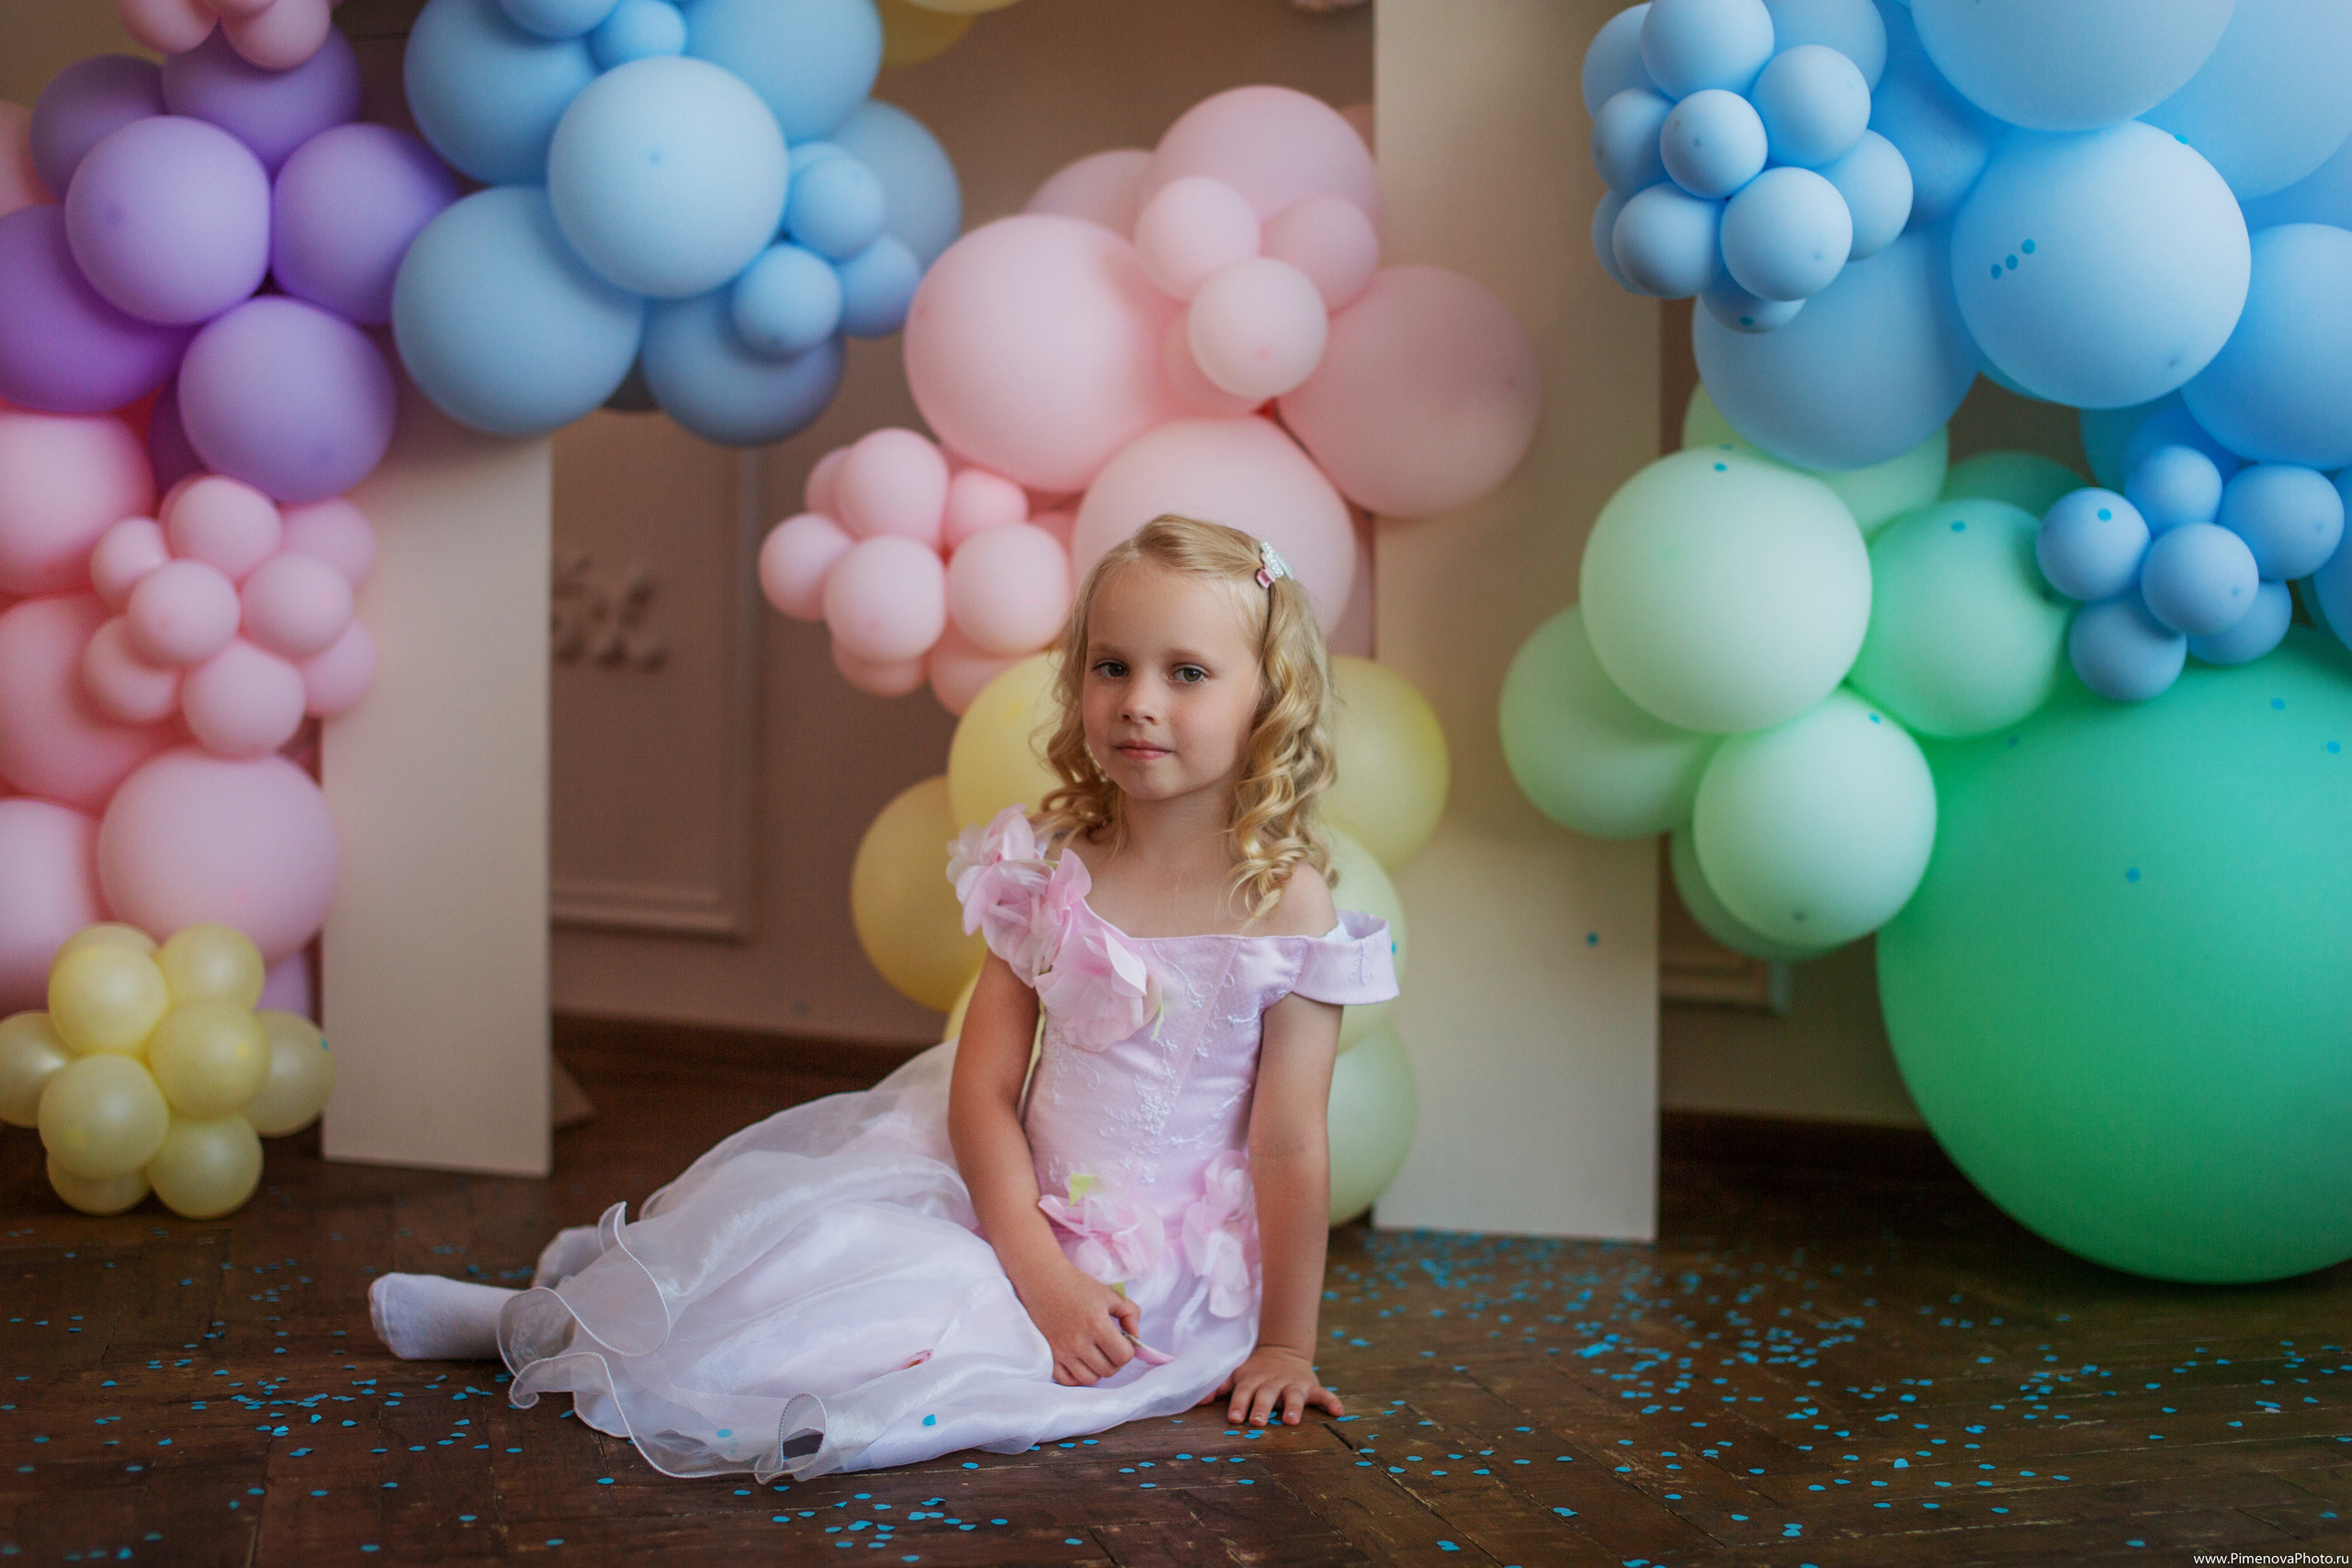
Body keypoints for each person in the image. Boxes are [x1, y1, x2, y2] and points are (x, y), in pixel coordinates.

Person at [366, 514, 1399, 1483]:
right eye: (1111, 666)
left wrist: (1282, 1342)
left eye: (1187, 674)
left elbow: (1288, 1144)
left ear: (1267, 698)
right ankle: (539, 1321)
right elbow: (984, 1093)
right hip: (1003, 1194)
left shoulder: (1287, 904)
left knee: (895, 1334)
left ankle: (596, 1316)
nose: (1137, 699)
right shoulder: (1050, 870)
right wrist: (1038, 1268)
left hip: (1165, 1272)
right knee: (813, 1247)